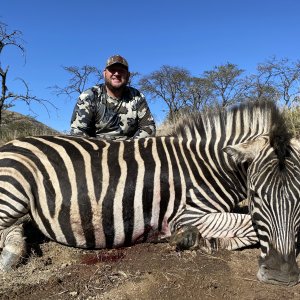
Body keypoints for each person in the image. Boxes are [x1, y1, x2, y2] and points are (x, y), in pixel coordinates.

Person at [70, 54, 156, 140]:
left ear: (128, 75)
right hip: (97, 150)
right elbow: (78, 132)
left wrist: (128, 148)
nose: (117, 73)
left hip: (129, 149)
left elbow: (148, 128)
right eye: (112, 70)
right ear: (104, 73)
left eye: (121, 70)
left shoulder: (137, 96)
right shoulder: (89, 96)